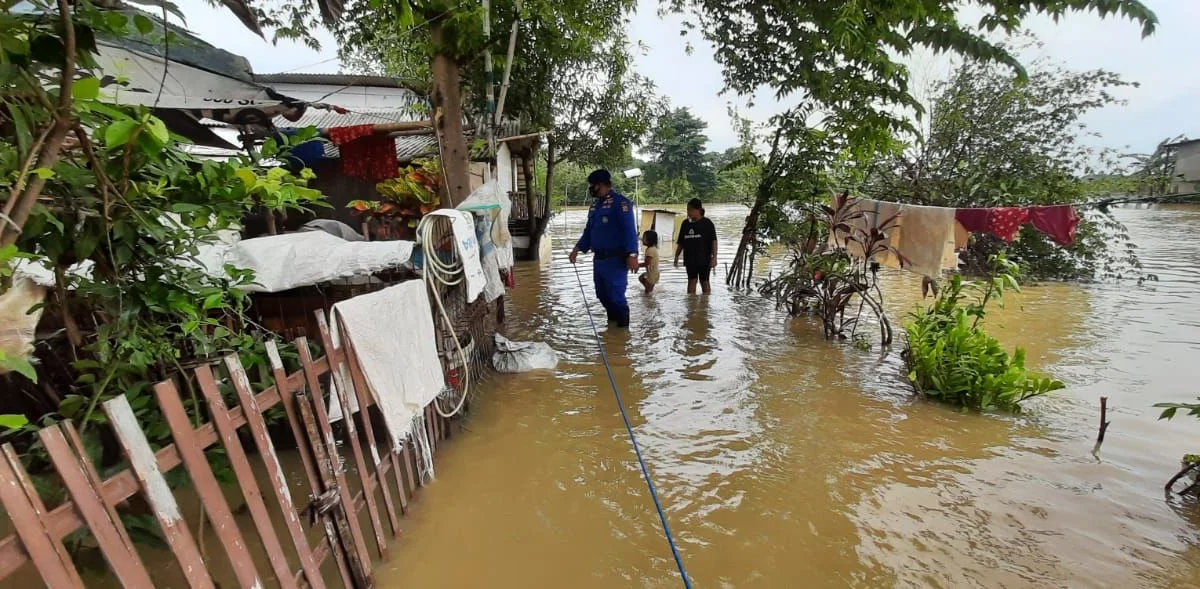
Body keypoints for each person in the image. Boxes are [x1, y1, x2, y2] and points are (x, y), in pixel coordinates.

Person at [568, 169, 639, 327]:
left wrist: (632, 255)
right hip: (599, 260)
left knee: (616, 296)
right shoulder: (595, 206)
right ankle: (611, 328)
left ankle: (622, 336)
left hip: (616, 260)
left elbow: (629, 230)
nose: (591, 189)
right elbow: (589, 231)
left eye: (593, 186)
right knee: (602, 295)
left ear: (602, 185)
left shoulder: (620, 203)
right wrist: (576, 249)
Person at [674, 198, 718, 294]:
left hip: (704, 258)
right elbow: (681, 242)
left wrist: (714, 257)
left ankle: (705, 304)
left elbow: (714, 241)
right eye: (687, 210)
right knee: (691, 280)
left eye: (690, 210)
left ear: (698, 210)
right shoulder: (685, 224)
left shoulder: (707, 223)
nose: (688, 212)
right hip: (690, 259)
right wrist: (676, 256)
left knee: (704, 281)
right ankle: (691, 305)